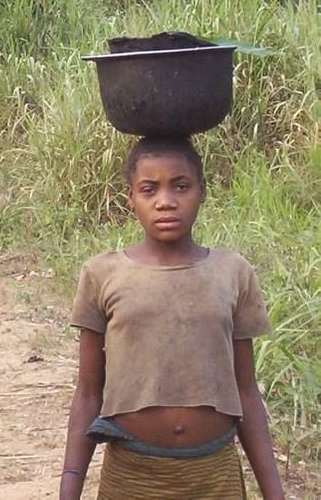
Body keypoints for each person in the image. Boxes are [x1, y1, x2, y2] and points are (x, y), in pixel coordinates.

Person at [59, 136, 284, 500]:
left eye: (181, 186)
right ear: (131, 197)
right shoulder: (103, 273)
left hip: (214, 475)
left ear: (202, 191)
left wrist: (274, 492)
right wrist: (69, 487)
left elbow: (246, 391)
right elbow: (87, 393)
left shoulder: (232, 272)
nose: (166, 201)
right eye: (149, 189)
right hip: (132, 475)